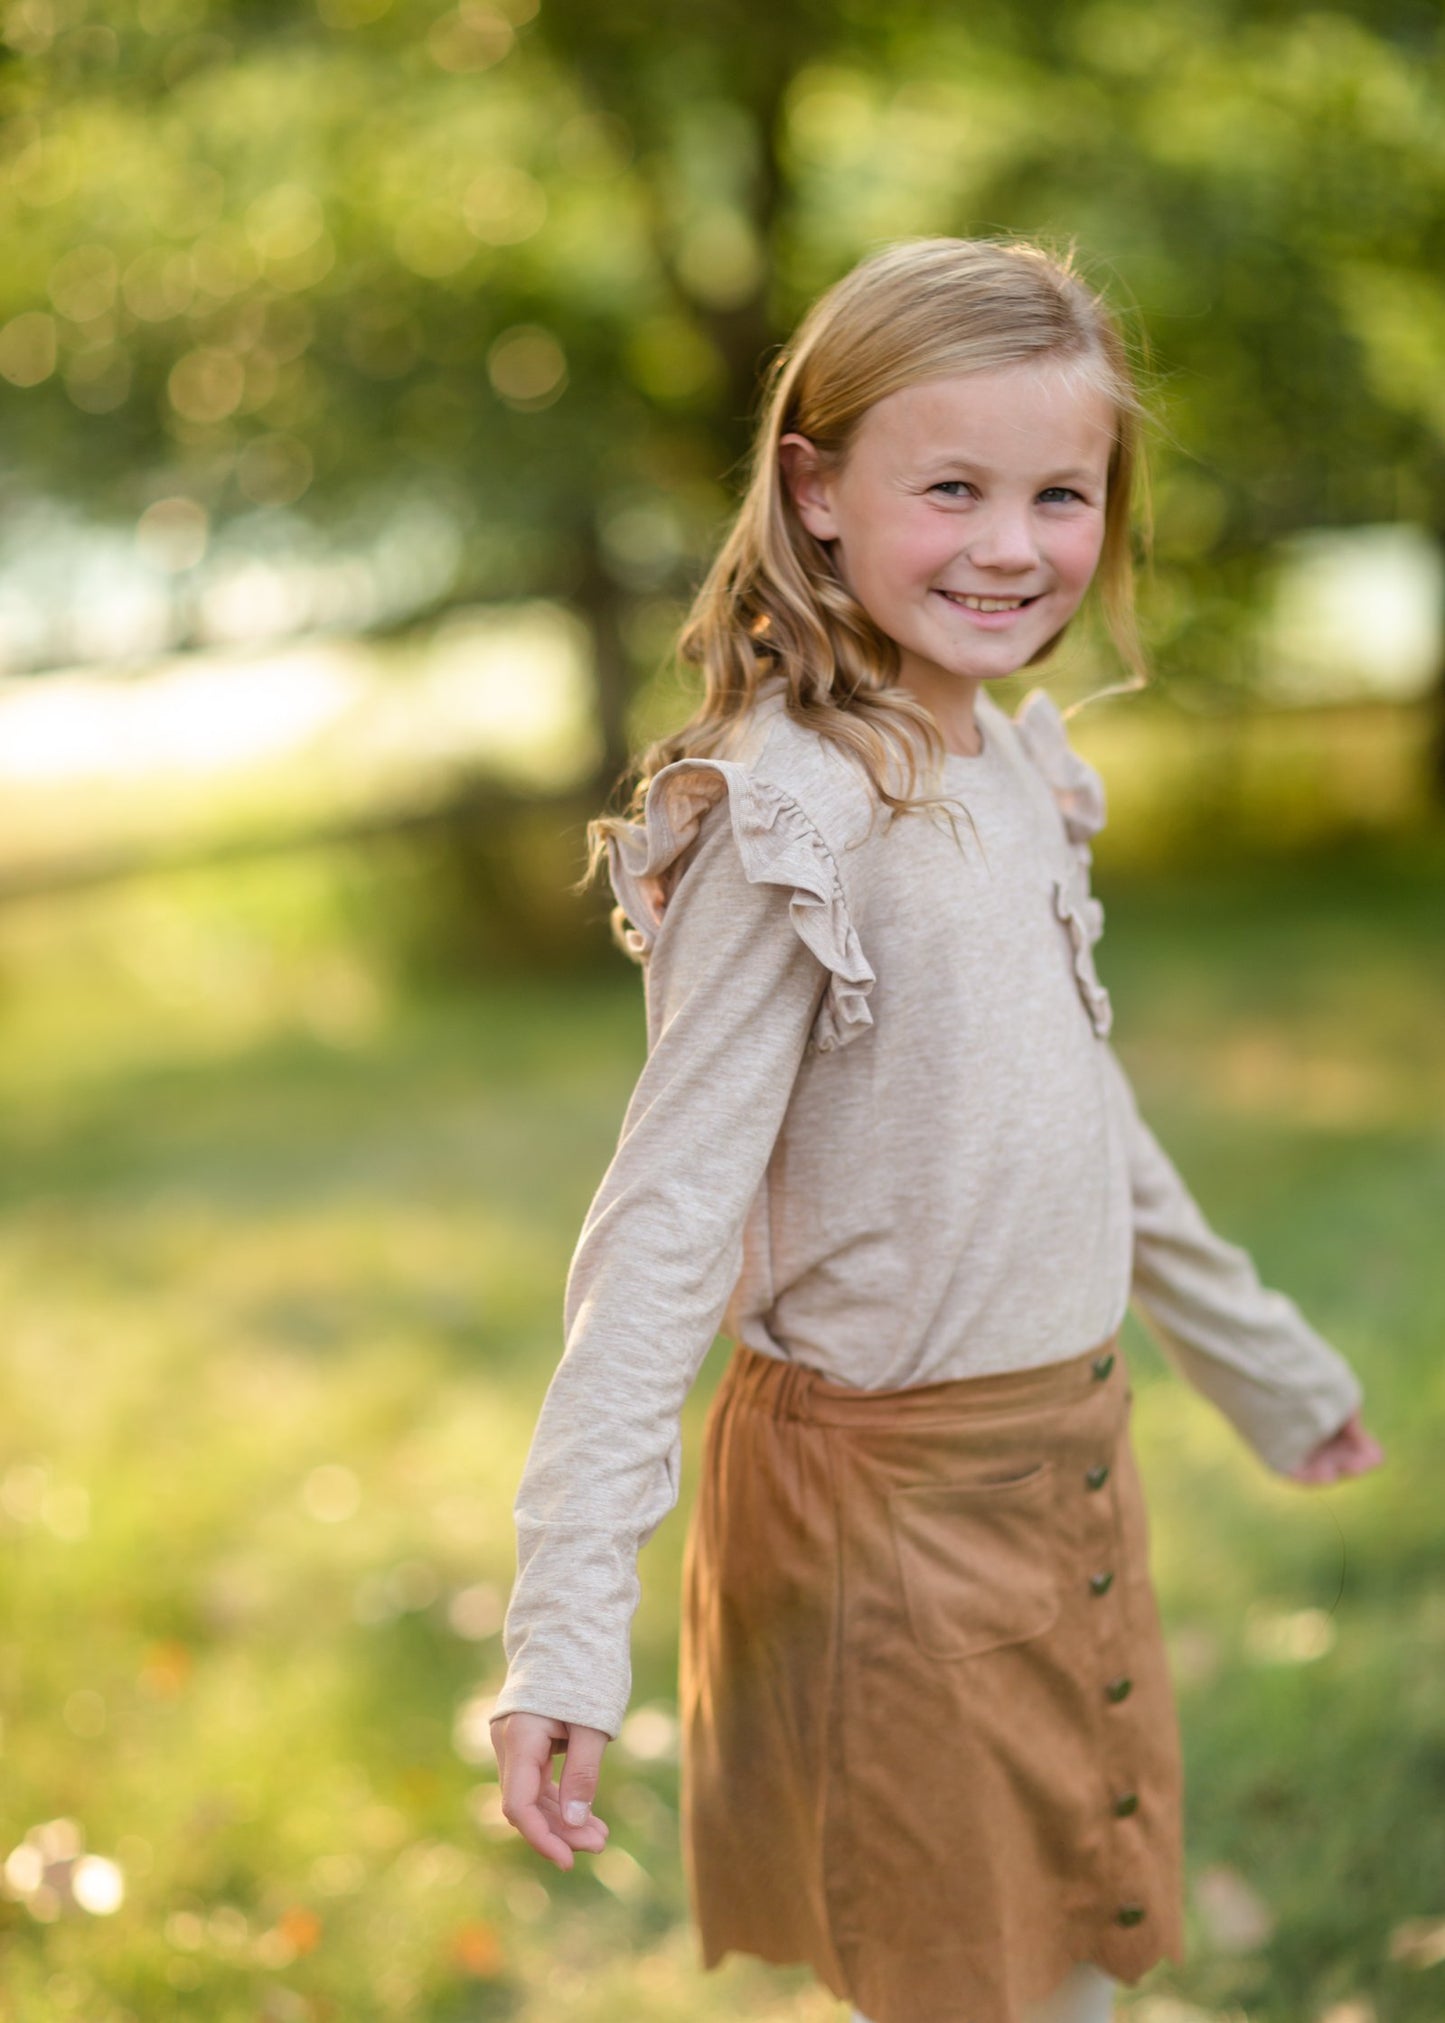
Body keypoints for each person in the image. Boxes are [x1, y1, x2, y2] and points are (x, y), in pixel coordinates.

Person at [487, 235, 1385, 2023]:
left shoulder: (1003, 763)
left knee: (1062, 1963)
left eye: (1058, 493)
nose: (1008, 544)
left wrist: (1258, 1359)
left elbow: (1082, 1116)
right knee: (977, 1988)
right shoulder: (789, 813)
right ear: (816, 492)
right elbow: (664, 1223)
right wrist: (565, 1619)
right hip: (884, 1525)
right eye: (950, 486)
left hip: (1064, 1472)